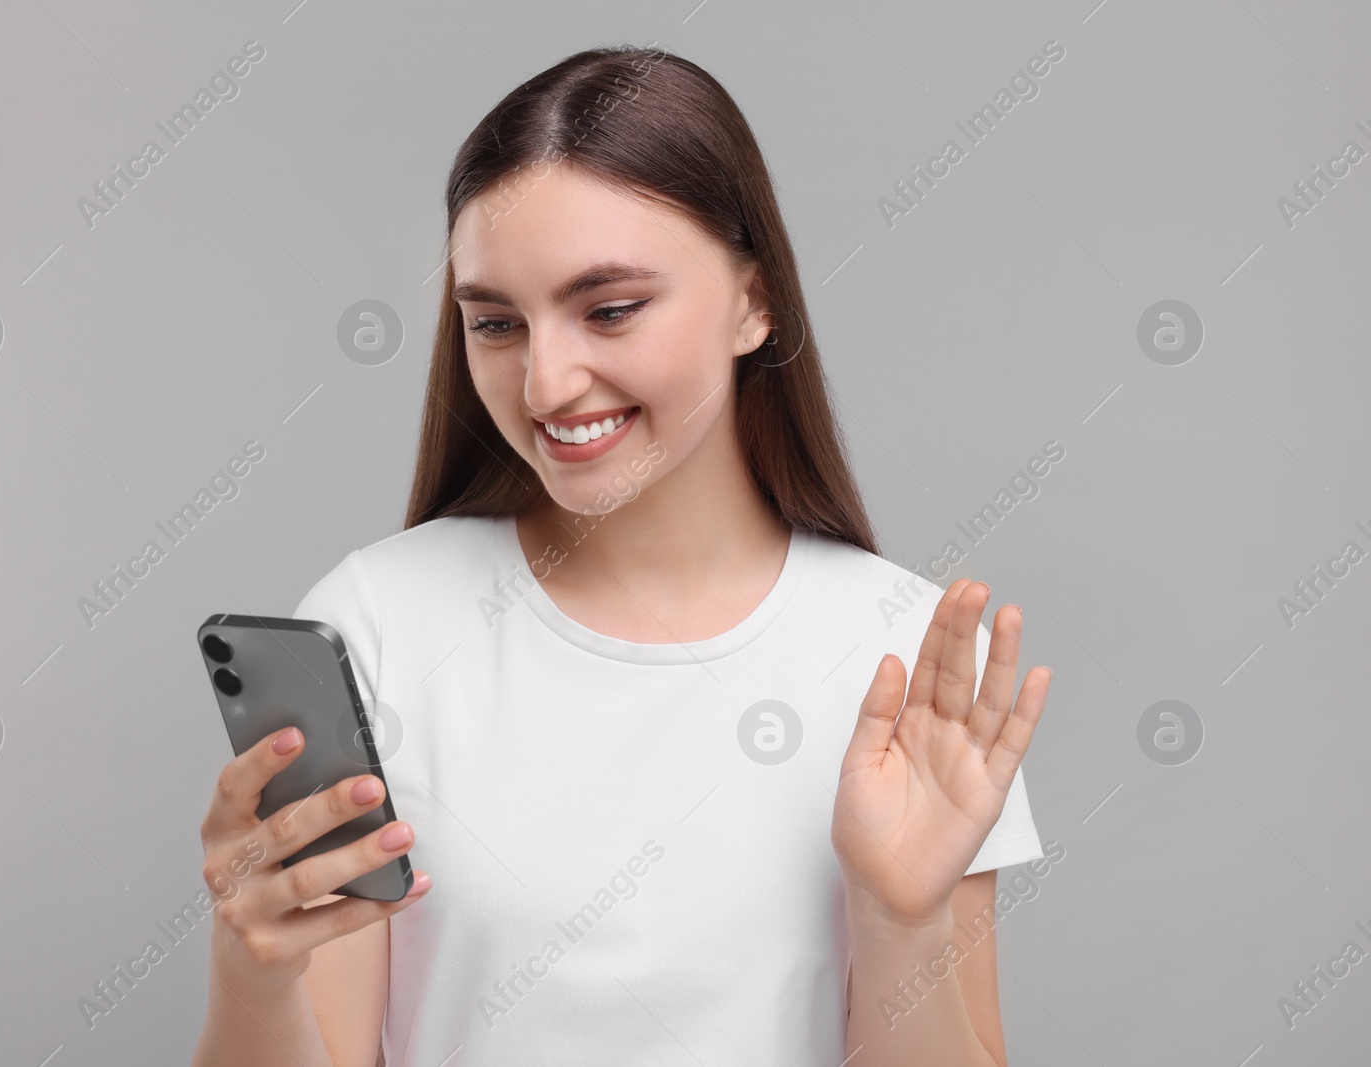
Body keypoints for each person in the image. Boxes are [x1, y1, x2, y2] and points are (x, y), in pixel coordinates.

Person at [193, 42, 1051, 1067]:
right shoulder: (379, 625)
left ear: (753, 300)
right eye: (495, 322)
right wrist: (253, 969)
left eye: (609, 309)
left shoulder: (898, 655)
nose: (547, 383)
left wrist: (900, 920)